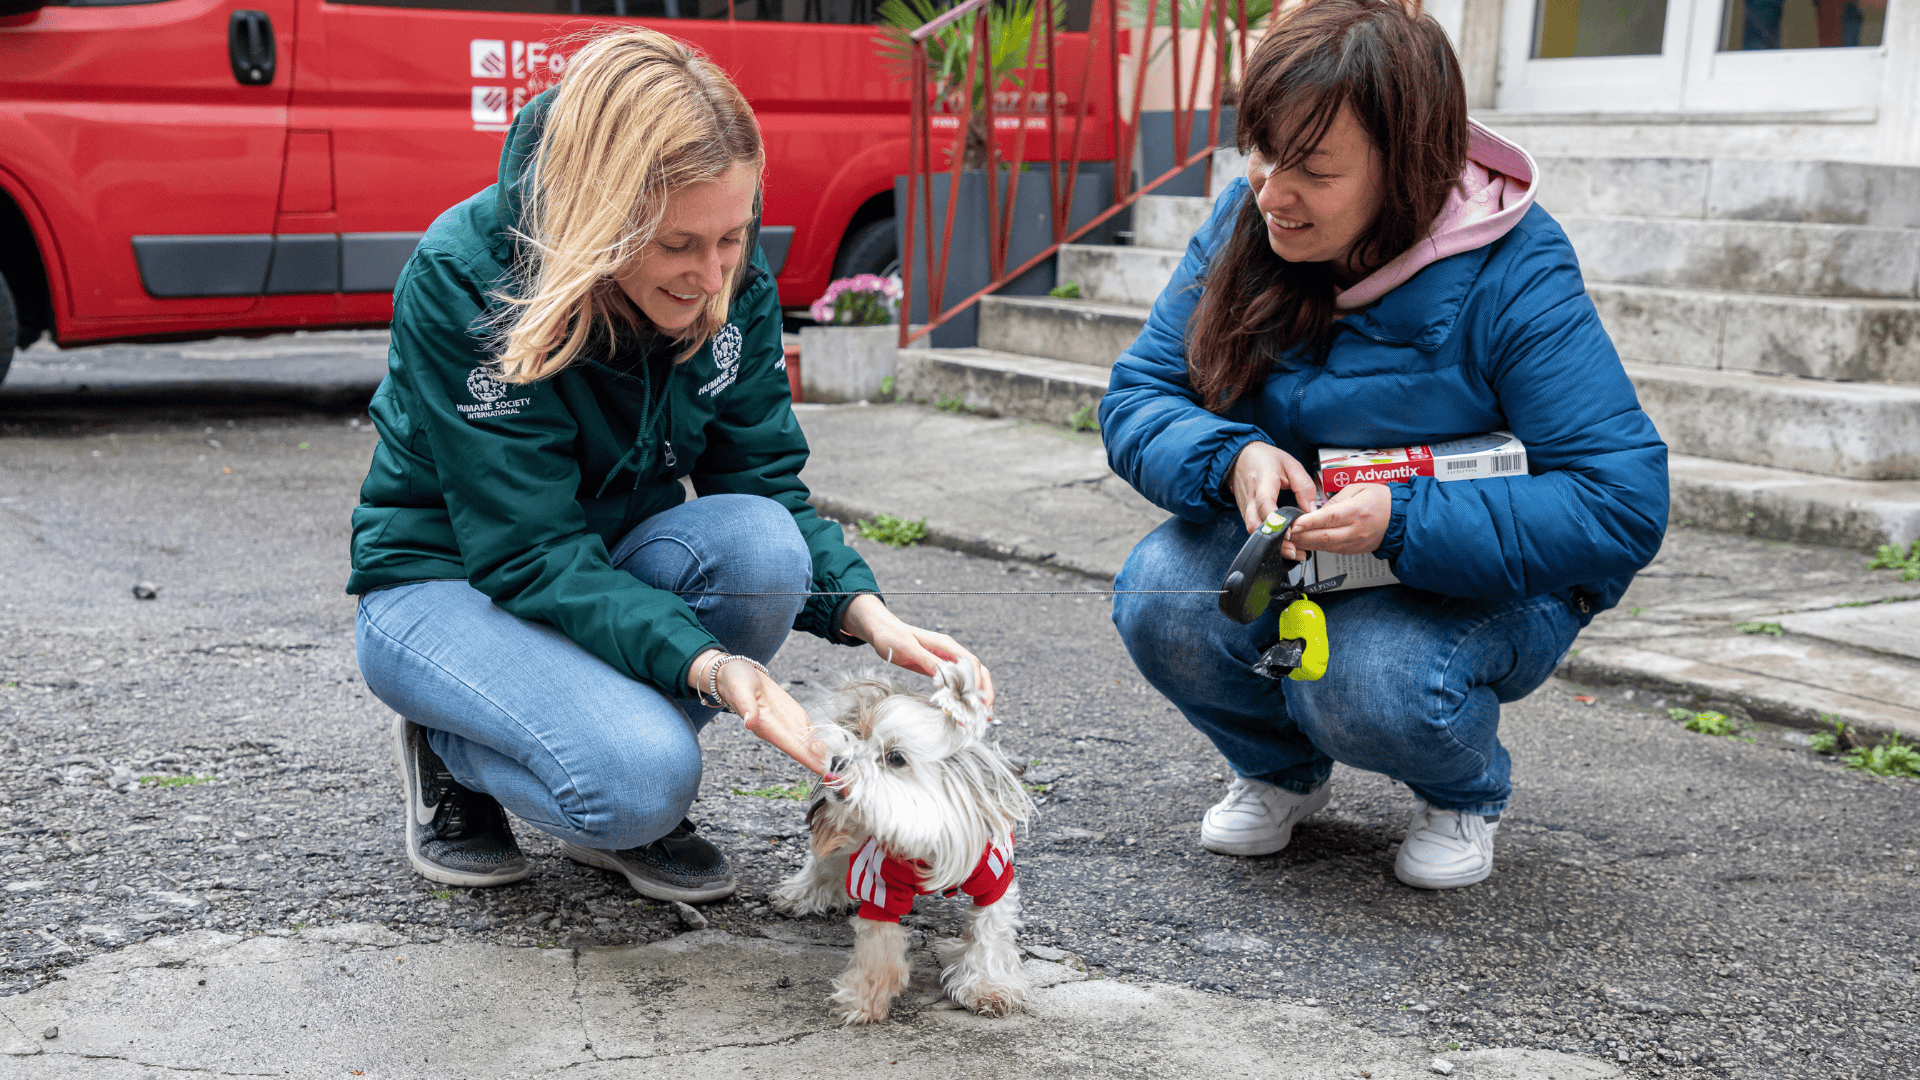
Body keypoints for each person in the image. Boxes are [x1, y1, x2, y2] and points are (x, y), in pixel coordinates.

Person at [348, 29, 987, 904]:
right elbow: (530, 552)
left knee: (764, 550)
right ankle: (456, 746)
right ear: (597, 219)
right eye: (680, 246)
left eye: (733, 237)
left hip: (600, 566)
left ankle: (594, 763)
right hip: (447, 583)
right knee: (640, 780)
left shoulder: (724, 262)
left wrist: (867, 612)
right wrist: (710, 666)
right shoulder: (465, 275)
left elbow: (761, 481)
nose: (713, 276)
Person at [1101, 0, 1667, 890]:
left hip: (1479, 566)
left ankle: (1463, 789)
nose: (1272, 191)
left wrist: (1404, 516)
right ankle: (1279, 772)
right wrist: (1231, 457)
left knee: (1369, 679)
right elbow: (1139, 393)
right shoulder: (1249, 219)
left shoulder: (1514, 267)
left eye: (1315, 171)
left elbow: (1621, 500)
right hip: (1316, 545)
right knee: (1160, 595)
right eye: (1261, 151)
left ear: (1407, 169)